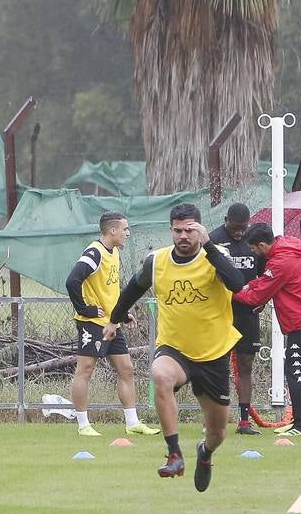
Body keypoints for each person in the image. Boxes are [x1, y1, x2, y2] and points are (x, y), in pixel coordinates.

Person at [104, 204, 246, 492]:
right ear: (171, 230)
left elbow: (237, 283)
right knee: (161, 375)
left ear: (200, 229)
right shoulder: (156, 261)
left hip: (213, 353)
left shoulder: (215, 257)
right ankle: (175, 453)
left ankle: (205, 453)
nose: (184, 236)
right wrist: (114, 319)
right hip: (175, 349)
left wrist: (208, 245)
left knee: (218, 432)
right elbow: (132, 289)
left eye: (190, 230)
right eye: (178, 230)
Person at [63, 211, 158, 437]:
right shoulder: (94, 252)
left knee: (126, 369)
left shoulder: (114, 251)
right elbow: (72, 281)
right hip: (92, 323)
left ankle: (132, 422)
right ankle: (83, 425)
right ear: (112, 230)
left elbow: (110, 290)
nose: (128, 233)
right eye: (125, 229)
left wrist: (122, 314)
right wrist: (84, 309)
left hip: (111, 323)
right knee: (85, 370)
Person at [234, 223, 301, 436]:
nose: (254, 253)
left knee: (293, 370)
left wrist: (230, 293)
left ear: (263, 245)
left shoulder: (281, 261)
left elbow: (258, 295)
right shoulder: (286, 250)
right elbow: (265, 284)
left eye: (254, 249)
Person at [209, 203, 262, 435]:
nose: (240, 232)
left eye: (243, 228)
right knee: (215, 365)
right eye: (235, 227)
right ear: (225, 220)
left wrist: (263, 298)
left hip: (247, 314)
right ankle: (213, 419)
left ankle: (243, 421)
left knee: (246, 365)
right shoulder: (213, 241)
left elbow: (264, 275)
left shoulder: (253, 240)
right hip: (221, 312)